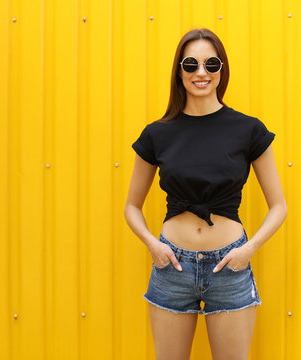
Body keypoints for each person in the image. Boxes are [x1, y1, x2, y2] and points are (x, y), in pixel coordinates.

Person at [124, 28, 287, 360]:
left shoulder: (248, 129)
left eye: (211, 64)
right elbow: (131, 207)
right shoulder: (158, 133)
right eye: (191, 64)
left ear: (221, 70)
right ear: (179, 71)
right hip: (172, 266)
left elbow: (279, 207)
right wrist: (152, 245)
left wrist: (249, 249)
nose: (201, 73)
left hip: (230, 267)